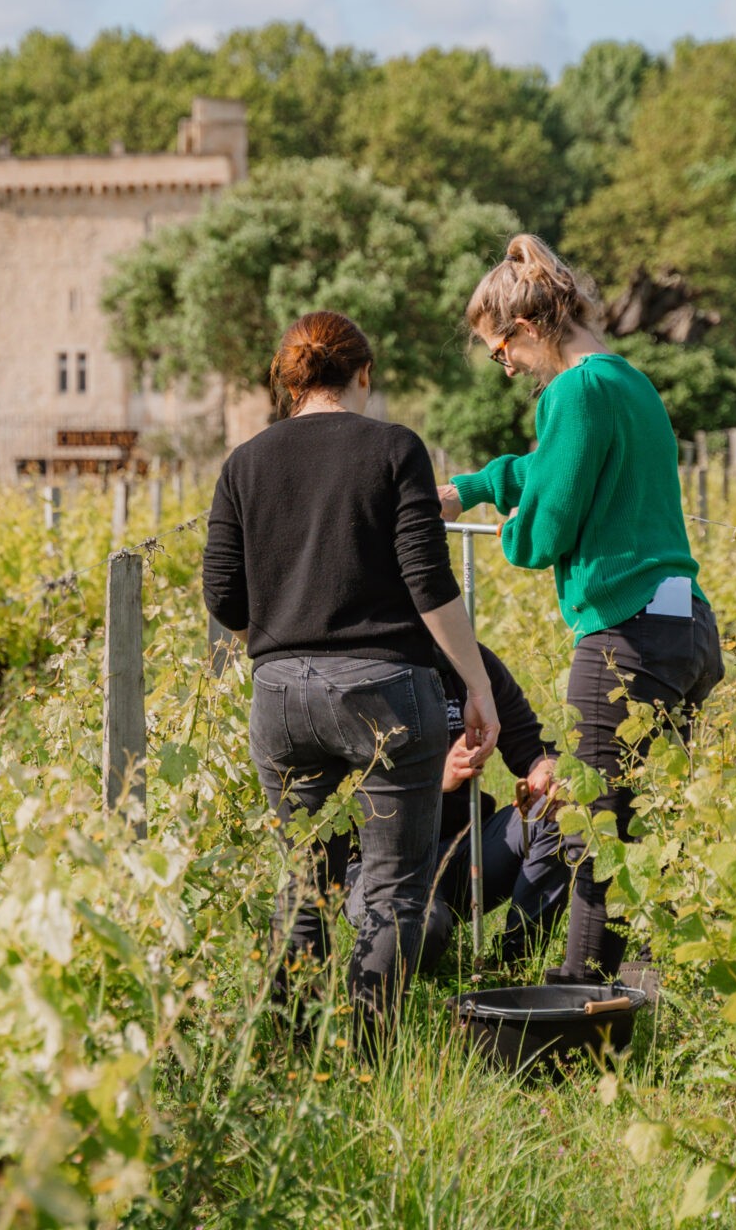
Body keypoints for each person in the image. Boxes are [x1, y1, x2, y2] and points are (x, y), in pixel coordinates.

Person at [203, 310, 498, 1049]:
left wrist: (281, 644)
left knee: (303, 883)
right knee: (395, 893)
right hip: (385, 693)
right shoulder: (394, 448)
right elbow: (427, 580)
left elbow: (222, 596)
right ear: (363, 374)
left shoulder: (244, 463)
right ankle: (365, 1060)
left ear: (290, 381)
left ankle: (291, 1057)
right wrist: (475, 684)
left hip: (278, 698)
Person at [439, 234, 725, 987]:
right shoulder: (624, 381)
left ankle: (578, 1011)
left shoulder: (570, 392)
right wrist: (474, 487)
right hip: (682, 629)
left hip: (622, 636)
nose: (505, 366)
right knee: (633, 827)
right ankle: (636, 991)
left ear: (528, 328)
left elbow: (545, 529)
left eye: (500, 350)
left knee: (591, 830)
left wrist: (514, 532)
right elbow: (547, 464)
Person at [344, 641, 569, 968]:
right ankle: (402, 983)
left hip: (466, 851)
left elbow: (532, 746)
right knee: (423, 930)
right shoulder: (358, 668)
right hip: (382, 865)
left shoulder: (468, 662)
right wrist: (435, 781)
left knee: (559, 813)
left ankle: (513, 968)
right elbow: (345, 803)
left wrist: (545, 769)